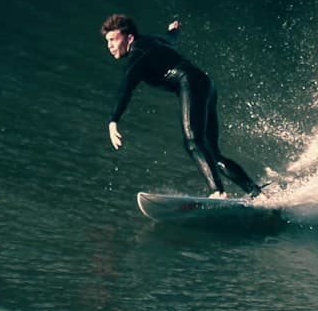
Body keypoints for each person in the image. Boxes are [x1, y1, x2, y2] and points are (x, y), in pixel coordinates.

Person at [101, 13, 262, 197]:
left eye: (113, 39)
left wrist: (113, 120)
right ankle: (256, 192)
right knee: (211, 152)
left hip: (190, 83)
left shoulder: (137, 54)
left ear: (129, 37)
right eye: (107, 41)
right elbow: (168, 38)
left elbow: (125, 88)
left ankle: (218, 192)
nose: (110, 46)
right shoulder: (150, 40)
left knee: (193, 142)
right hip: (206, 84)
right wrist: (174, 31)